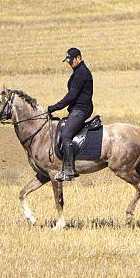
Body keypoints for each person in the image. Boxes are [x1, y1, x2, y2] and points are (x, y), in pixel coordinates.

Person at [47, 47, 93, 181]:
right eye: (68, 61)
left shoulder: (81, 73)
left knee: (66, 134)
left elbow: (71, 96)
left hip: (81, 110)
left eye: (71, 61)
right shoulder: (77, 72)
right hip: (76, 109)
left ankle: (69, 169)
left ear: (79, 58)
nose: (69, 64)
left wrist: (55, 107)